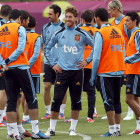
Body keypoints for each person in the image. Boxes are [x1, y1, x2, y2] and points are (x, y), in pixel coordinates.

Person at [44, 5, 94, 136]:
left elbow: (97, 46)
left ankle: (72, 128)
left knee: (76, 100)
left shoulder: (82, 33)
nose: (67, 19)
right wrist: (53, 64)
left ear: (76, 18)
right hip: (62, 72)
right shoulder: (59, 33)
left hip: (77, 72)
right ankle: (52, 129)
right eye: (66, 17)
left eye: (70, 17)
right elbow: (47, 48)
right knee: (57, 100)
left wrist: (87, 61)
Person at [0, 9, 49, 140]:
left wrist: (3, 63)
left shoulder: (1, 28)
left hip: (7, 68)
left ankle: (15, 134)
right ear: (20, 18)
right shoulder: (19, 28)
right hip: (20, 66)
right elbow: (21, 48)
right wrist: (9, 60)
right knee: (31, 98)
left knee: (11, 101)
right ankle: (35, 131)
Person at [90, 8, 125, 137]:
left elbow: (96, 57)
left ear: (97, 18)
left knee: (108, 101)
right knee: (117, 101)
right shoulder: (118, 30)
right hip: (119, 70)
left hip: (106, 72)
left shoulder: (100, 33)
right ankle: (117, 129)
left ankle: (111, 130)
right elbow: (123, 52)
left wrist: (93, 76)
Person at [108, 0, 134, 121]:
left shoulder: (125, 21)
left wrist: (128, 56)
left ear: (115, 9)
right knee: (115, 85)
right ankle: (113, 110)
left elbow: (130, 39)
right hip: (115, 58)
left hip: (127, 58)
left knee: (129, 85)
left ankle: (130, 112)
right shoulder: (112, 22)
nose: (108, 11)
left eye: (110, 8)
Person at [42, 4, 67, 120]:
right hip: (49, 62)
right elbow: (45, 45)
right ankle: (48, 112)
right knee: (47, 86)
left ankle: (61, 112)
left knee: (62, 87)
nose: (48, 16)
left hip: (62, 63)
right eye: (48, 14)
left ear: (57, 14)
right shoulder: (45, 27)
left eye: (50, 14)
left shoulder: (65, 27)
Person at [80, 9, 98, 122]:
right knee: (91, 91)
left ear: (81, 20)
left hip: (79, 64)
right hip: (92, 65)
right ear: (93, 19)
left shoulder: (78, 30)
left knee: (75, 90)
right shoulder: (97, 31)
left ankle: (73, 115)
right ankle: (90, 116)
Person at [23, 14, 42, 122]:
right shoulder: (36, 37)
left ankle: (25, 116)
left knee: (23, 93)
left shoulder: (21, 35)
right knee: (31, 94)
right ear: (35, 24)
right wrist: (28, 65)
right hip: (32, 69)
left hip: (21, 68)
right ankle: (26, 117)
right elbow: (35, 54)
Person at [124, 11, 140, 135]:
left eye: (128, 20)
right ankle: (139, 127)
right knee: (134, 99)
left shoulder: (137, 34)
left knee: (129, 99)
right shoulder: (133, 34)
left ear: (135, 21)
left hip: (135, 71)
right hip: (132, 71)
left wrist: (125, 60)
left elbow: (139, 53)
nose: (126, 23)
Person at [0, 4, 12, 127]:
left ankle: (3, 114)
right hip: (2, 61)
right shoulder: (4, 26)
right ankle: (0, 118)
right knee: (3, 90)